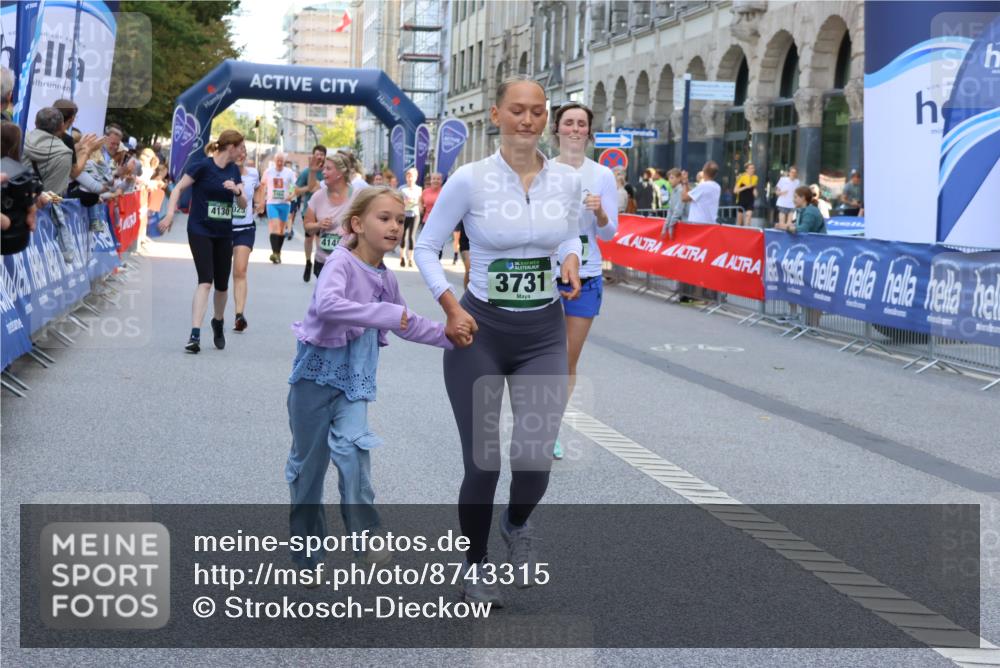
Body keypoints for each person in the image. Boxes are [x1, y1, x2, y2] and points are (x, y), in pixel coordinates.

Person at [414, 76, 582, 606]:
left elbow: (569, 230)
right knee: (483, 462)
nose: (527, 120)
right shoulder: (470, 180)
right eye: (517, 110)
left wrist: (572, 256)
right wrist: (450, 304)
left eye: (537, 111)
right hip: (480, 331)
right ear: (496, 114)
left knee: (534, 458)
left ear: (546, 117)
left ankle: (515, 523)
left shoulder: (566, 181)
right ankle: (476, 564)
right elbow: (426, 246)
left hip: (542, 333)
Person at [285, 186, 462, 570]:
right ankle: (307, 553)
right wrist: (381, 314)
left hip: (354, 383)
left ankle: (365, 538)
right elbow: (328, 305)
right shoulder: (341, 263)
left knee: (353, 453)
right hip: (315, 379)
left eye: (400, 220)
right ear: (357, 224)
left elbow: (406, 322)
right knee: (308, 471)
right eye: (384, 218)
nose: (395, 227)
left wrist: (450, 338)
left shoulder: (385, 278)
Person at [552, 102, 618, 460]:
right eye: (569, 123)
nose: (575, 129)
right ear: (558, 129)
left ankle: (551, 429)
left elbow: (610, 233)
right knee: (539, 358)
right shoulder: (543, 170)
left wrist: (601, 211)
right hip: (546, 274)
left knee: (566, 360)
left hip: (588, 274)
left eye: (581, 124)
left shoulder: (602, 175)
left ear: (589, 132)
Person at [158, 130, 247, 353]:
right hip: (200, 229)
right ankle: (195, 334)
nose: (242, 152)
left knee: (222, 285)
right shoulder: (203, 166)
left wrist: (236, 191)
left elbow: (244, 204)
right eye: (240, 147)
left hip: (224, 233)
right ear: (231, 147)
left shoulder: (234, 170)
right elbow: (177, 188)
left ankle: (218, 321)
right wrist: (170, 214)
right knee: (205, 280)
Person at [303, 153, 354, 278]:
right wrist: (318, 224)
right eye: (324, 168)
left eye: (328, 169)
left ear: (340, 173)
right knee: (325, 297)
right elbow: (307, 226)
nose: (324, 172)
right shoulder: (318, 196)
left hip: (348, 262)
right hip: (323, 262)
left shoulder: (358, 197)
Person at [231, 141, 259, 332]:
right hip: (223, 228)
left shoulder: (253, 173)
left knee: (240, 271)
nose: (242, 155)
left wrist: (260, 202)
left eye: (244, 152)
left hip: (245, 228)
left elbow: (259, 187)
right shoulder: (222, 172)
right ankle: (218, 314)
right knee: (221, 273)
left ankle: (239, 314)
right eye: (238, 152)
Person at [294, 144, 328, 282]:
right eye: (317, 154)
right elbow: (296, 190)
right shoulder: (306, 172)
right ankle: (308, 262)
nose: (319, 156)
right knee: (309, 238)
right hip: (309, 209)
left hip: (325, 210)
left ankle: (320, 262)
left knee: (321, 239)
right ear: (313, 155)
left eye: (322, 154)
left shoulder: (328, 171)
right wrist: (308, 188)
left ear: (325, 156)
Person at [262, 152, 295, 263]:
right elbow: (262, 185)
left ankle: (278, 253)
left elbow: (295, 186)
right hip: (272, 203)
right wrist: (262, 201)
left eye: (282, 161)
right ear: (274, 161)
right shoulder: (268, 172)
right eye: (278, 160)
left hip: (285, 204)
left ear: (284, 161)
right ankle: (274, 253)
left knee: (281, 230)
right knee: (275, 226)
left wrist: (291, 195)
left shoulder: (289, 172)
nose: (280, 163)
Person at [682, 160, 721, 224]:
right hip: (710, 223)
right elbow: (692, 195)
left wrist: (683, 182)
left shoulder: (703, 186)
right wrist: (686, 183)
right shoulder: (717, 187)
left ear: (704, 171)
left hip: (698, 224)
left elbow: (684, 198)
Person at [399, 167, 422, 267]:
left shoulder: (419, 189)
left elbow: (421, 203)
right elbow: (397, 201)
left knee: (412, 236)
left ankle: (411, 258)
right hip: (404, 215)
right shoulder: (401, 189)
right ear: (406, 177)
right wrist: (403, 203)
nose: (410, 178)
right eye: (408, 176)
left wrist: (420, 207)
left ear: (416, 177)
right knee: (403, 236)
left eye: (412, 176)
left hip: (415, 214)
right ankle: (402, 257)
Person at [733, 162, 757, 226]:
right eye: (751, 168)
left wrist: (755, 191)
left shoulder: (755, 177)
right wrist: (746, 187)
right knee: (739, 222)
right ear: (747, 170)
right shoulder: (742, 177)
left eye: (753, 168)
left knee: (748, 218)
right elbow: (735, 191)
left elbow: (753, 188)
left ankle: (747, 233)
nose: (753, 169)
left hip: (750, 200)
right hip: (741, 200)